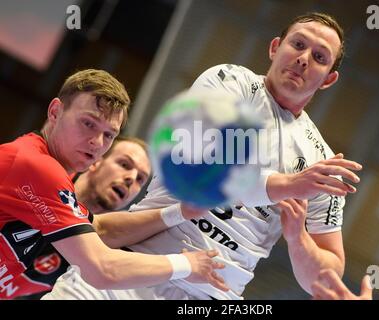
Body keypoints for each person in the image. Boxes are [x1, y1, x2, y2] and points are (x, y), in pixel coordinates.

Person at [44, 13, 363, 300]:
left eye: (319, 57)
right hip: (134, 265)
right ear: (275, 47)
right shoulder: (229, 83)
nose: (303, 59)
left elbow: (325, 277)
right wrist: (289, 185)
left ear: (328, 79)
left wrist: (297, 239)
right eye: (298, 44)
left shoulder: (320, 160)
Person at [0, 69, 228, 300]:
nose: (97, 142)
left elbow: (101, 229)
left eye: (109, 135)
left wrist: (180, 212)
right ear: (55, 111)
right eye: (88, 123)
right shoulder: (37, 167)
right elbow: (102, 268)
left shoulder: (49, 181)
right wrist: (186, 264)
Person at [11, 136, 152, 299]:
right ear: (96, 162)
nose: (131, 178)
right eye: (124, 165)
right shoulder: (36, 185)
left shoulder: (105, 253)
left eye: (140, 179)